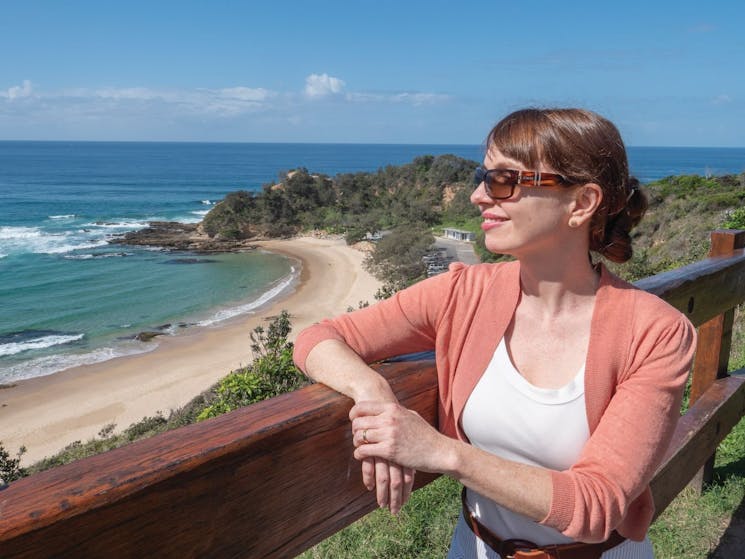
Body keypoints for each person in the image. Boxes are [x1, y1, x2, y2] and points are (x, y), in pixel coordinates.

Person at [292, 108, 697, 558]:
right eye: (483, 177)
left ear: (581, 203)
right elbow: (318, 338)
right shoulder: (463, 294)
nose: (478, 196)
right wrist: (372, 391)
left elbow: (595, 504)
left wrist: (441, 452)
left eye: (504, 180)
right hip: (475, 547)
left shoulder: (656, 333)